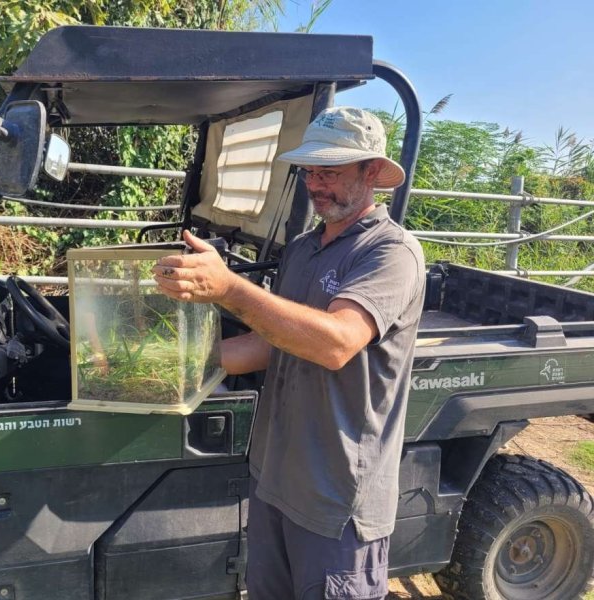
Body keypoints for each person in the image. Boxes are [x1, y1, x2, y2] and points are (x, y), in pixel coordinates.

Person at [152, 106, 425, 600]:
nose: (316, 185)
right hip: (276, 480)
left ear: (371, 171)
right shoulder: (303, 248)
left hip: (335, 499)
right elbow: (275, 341)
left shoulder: (390, 252)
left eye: (331, 172)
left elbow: (336, 342)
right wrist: (177, 363)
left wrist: (230, 289)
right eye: (310, 172)